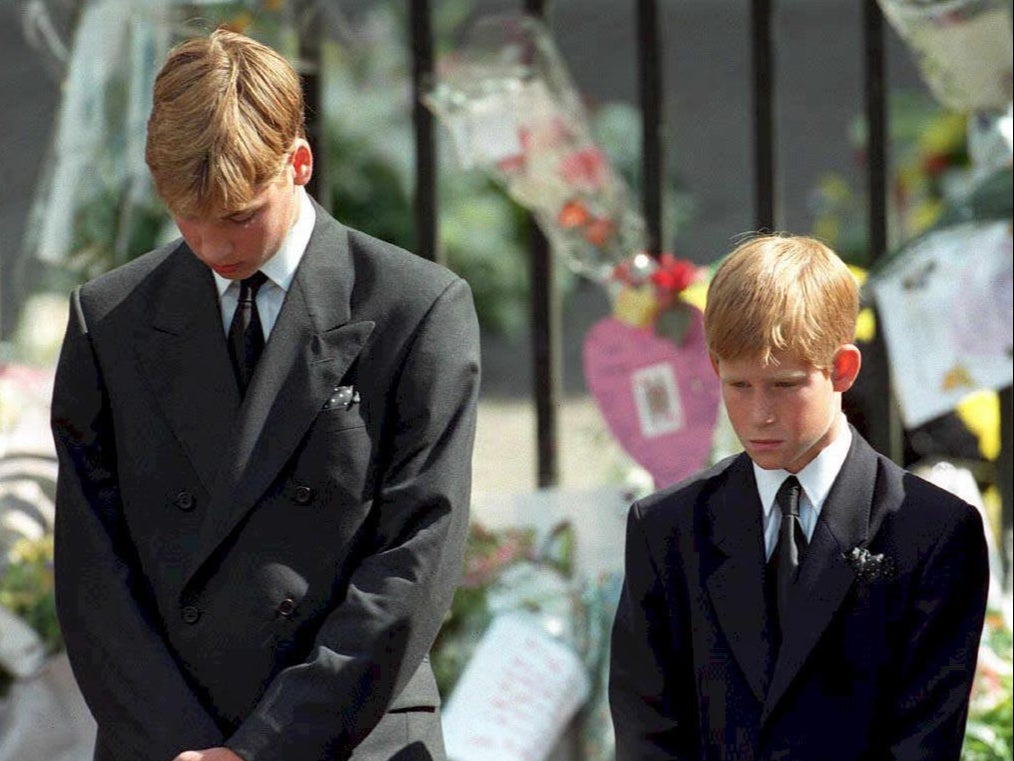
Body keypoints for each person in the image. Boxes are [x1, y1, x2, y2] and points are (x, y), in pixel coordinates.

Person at [50, 28, 479, 761]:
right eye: (190, 218)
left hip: (352, 735)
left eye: (241, 215)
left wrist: (263, 749)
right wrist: (183, 748)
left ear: (299, 163)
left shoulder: (418, 309)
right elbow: (92, 571)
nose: (215, 245)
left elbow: (414, 560)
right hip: (166, 742)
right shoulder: (110, 320)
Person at [609, 234, 989, 759]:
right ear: (715, 368)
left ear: (842, 370)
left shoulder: (932, 531)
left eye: (784, 385)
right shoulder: (667, 529)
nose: (759, 413)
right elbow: (647, 732)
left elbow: (925, 739)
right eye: (739, 386)